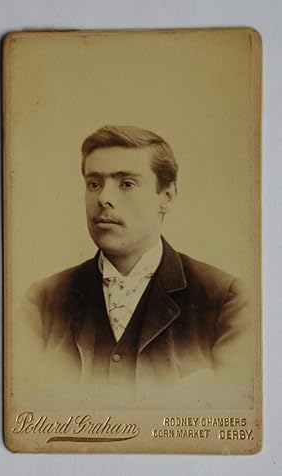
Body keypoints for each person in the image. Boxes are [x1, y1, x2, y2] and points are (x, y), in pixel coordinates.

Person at [23, 125, 252, 404]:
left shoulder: (224, 299)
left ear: (166, 196)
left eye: (127, 184)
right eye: (94, 184)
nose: (104, 198)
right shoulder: (44, 300)